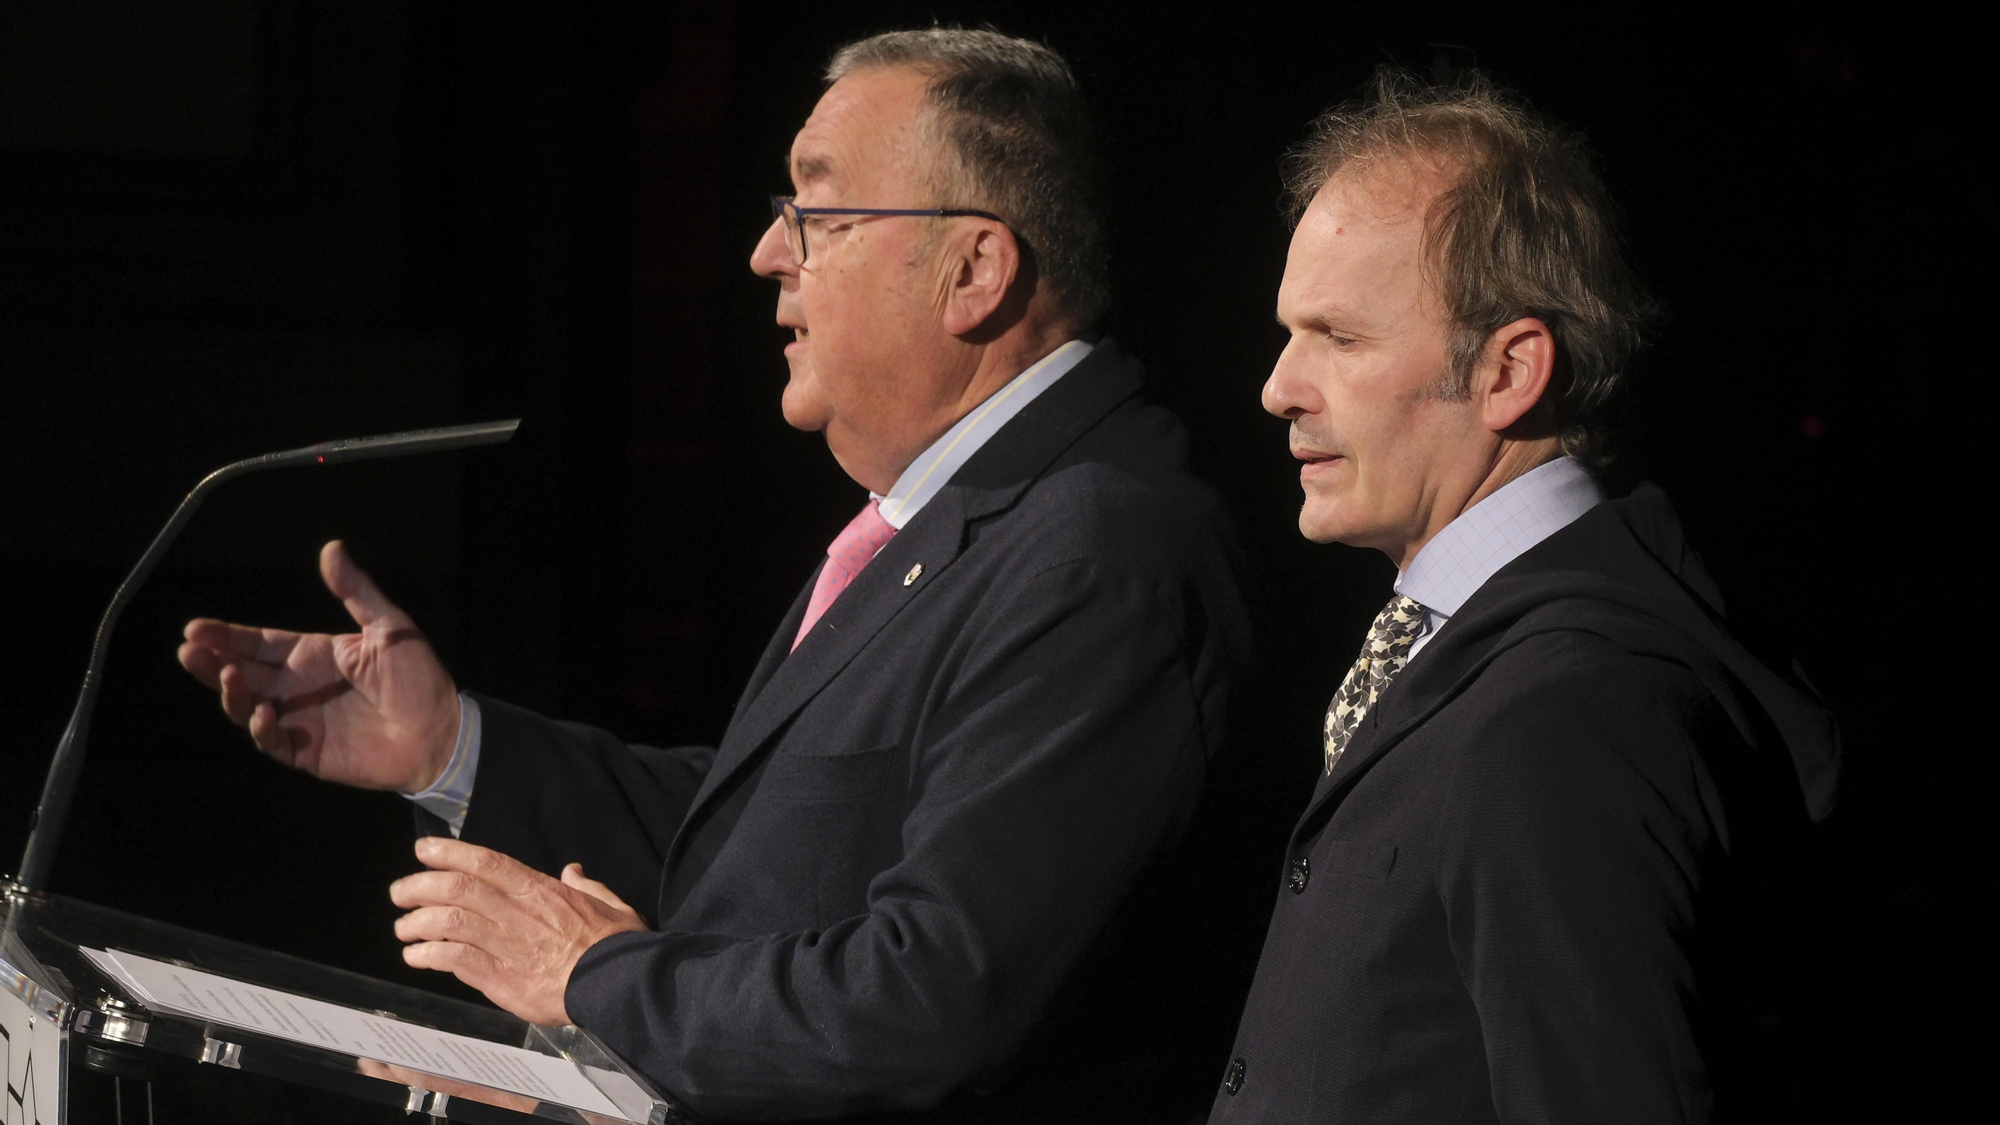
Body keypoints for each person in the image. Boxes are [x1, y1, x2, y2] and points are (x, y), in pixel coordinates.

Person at [178, 29, 1250, 1122]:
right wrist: (454, 749)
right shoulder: (967, 511)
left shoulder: (1095, 548)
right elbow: (772, 844)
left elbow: (932, 995)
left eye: (816, 215)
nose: (764, 253)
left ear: (971, 270)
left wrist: (594, 985)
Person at [1208, 72, 1840, 1123]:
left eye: (1338, 336)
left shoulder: (1564, 712)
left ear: (1508, 373)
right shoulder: (1488, 654)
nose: (1277, 386)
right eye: (1288, 331)